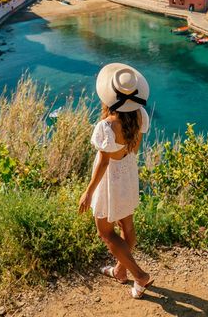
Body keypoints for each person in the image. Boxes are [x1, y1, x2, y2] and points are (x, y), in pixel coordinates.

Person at [78, 63, 153, 299]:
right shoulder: (140, 116)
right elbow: (133, 149)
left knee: (106, 233)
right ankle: (121, 271)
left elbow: (103, 163)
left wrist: (88, 192)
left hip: (109, 181)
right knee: (127, 227)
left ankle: (139, 275)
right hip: (128, 174)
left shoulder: (106, 126)